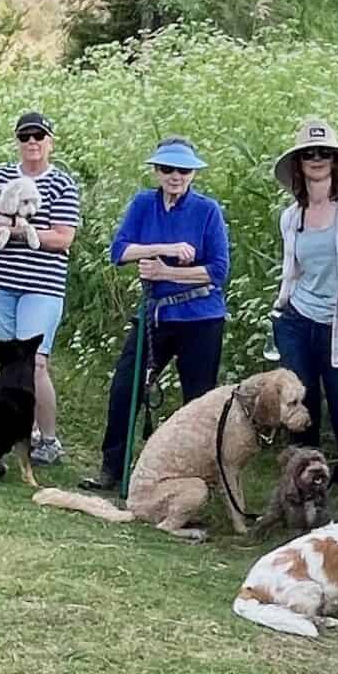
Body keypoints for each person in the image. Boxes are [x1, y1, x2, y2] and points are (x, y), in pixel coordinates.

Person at [83, 138, 231, 494]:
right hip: (156, 315)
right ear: (157, 171)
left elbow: (218, 271)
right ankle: (112, 469)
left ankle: (198, 479)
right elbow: (119, 251)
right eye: (167, 169)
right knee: (125, 387)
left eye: (182, 169)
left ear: (193, 172)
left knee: (197, 402)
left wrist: (167, 273)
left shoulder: (207, 210)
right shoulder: (143, 204)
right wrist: (162, 251)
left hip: (200, 317)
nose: (175, 175)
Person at [0, 110, 83, 467]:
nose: (32, 143)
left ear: (50, 142)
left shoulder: (62, 184)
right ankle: (14, 435)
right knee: (8, 365)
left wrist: (18, 235)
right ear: (17, 141)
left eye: (38, 136)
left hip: (41, 284)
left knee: (37, 362)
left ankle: (49, 439)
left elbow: (63, 237)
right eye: (25, 137)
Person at [270, 118, 338, 518]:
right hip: (298, 322)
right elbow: (292, 272)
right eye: (308, 154)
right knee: (302, 420)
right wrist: (281, 313)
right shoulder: (290, 217)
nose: (316, 160)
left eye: (323, 153)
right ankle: (304, 517)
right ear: (298, 165)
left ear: (335, 162)